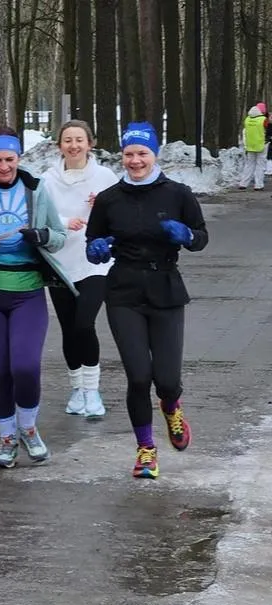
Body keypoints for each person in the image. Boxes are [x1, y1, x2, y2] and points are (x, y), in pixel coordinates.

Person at [85, 121, 208, 479]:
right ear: (121, 156)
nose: (135, 161)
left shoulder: (178, 193)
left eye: (142, 153)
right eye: (129, 154)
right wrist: (96, 250)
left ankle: (171, 406)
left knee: (166, 379)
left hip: (166, 288)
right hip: (124, 290)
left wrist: (186, 234)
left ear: (155, 154)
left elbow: (201, 237)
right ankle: (146, 450)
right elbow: (94, 244)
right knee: (139, 376)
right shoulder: (109, 199)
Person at [0, 127, 70, 469]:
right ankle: (7, 440)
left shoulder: (36, 189)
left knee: (24, 366)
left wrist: (42, 235)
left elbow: (60, 236)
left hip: (27, 290)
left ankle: (29, 428)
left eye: (9, 160)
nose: (3, 167)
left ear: (19, 158)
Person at [40, 120, 119, 418]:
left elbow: (120, 214)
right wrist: (63, 221)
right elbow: (40, 216)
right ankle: (76, 389)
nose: (74, 146)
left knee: (85, 323)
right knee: (69, 328)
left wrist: (104, 205)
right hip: (59, 263)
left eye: (79, 140)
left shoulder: (105, 176)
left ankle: (92, 390)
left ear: (90, 143)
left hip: (94, 262)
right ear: (59, 145)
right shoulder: (47, 180)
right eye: (67, 140)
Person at [239, 104, 266, 191]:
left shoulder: (247, 120)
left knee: (249, 164)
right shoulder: (263, 120)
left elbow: (245, 132)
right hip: (262, 145)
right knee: (260, 165)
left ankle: (243, 183)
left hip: (250, 146)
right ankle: (258, 185)